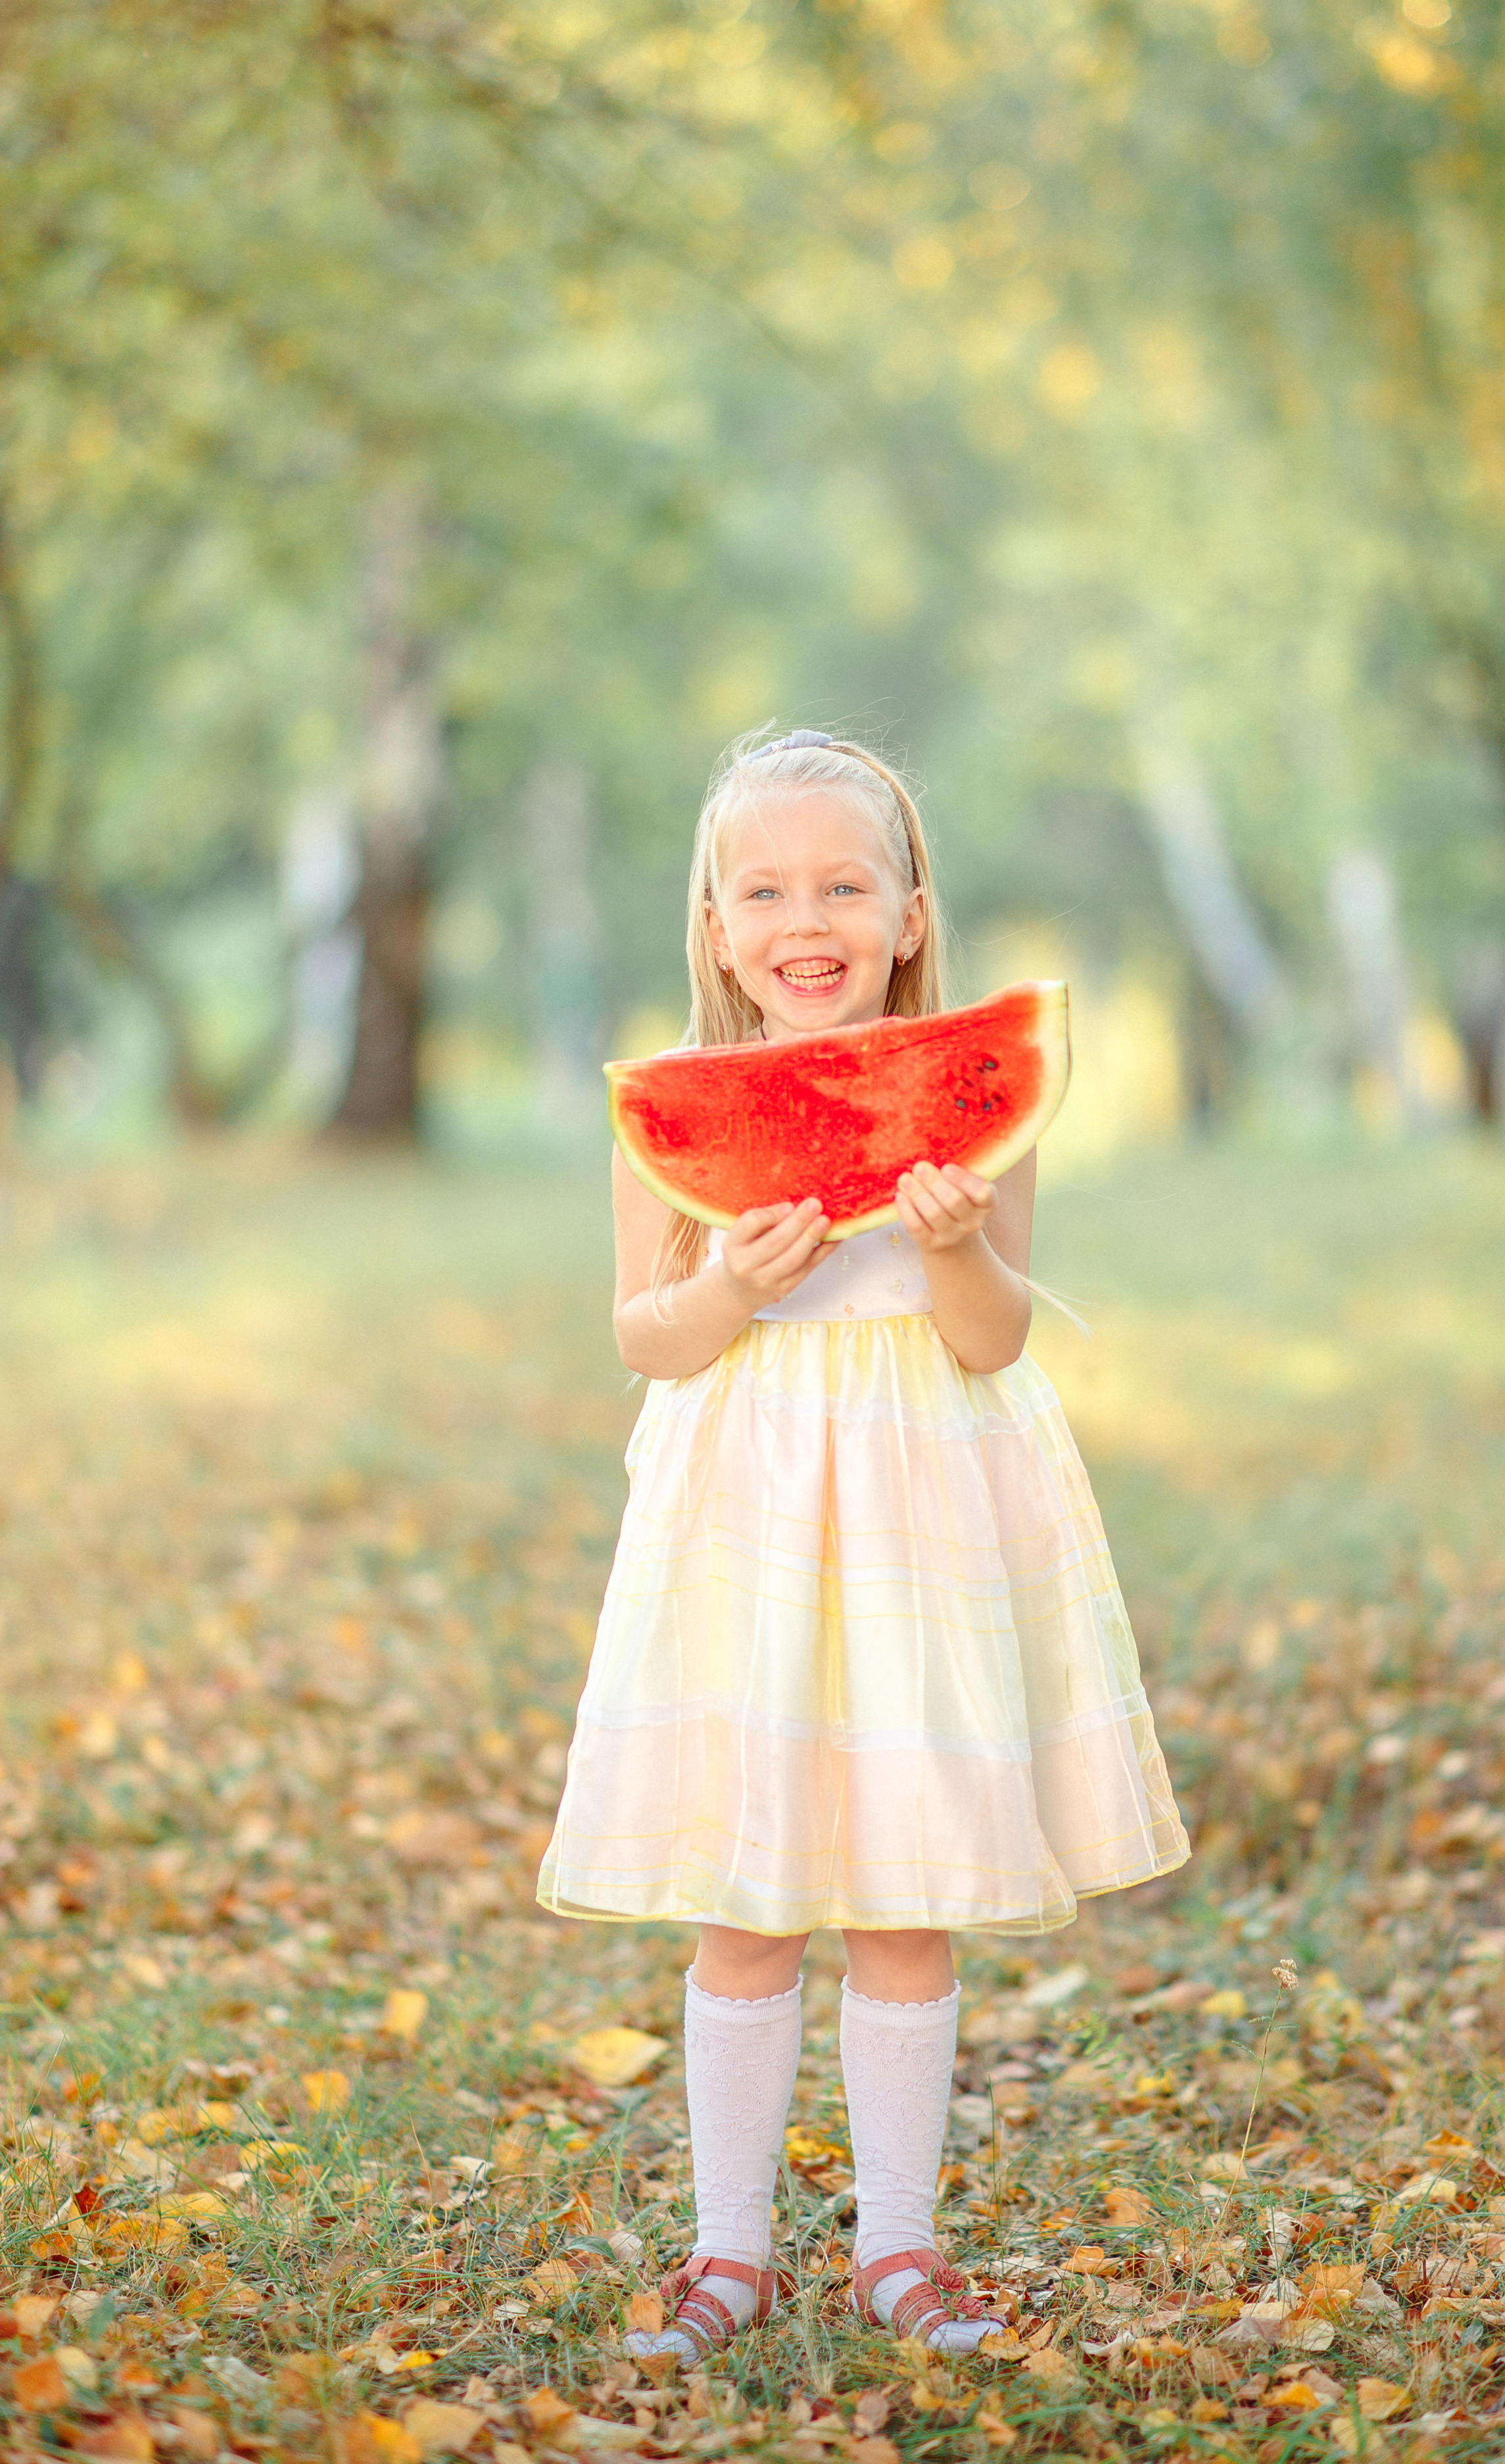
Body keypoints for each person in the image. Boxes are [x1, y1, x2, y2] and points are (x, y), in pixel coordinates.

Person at [537, 731, 1189, 2362]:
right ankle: (728, 2251)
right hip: (742, 1520)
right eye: (762, 888)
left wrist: (958, 1243)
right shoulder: (672, 1106)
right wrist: (728, 1288)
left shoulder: (976, 1097)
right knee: (742, 1901)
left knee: (907, 1895)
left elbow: (987, 1340)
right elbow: (646, 1337)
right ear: (712, 917)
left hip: (921, 1522)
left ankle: (900, 2250)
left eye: (842, 883)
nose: (801, 917)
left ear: (907, 915)